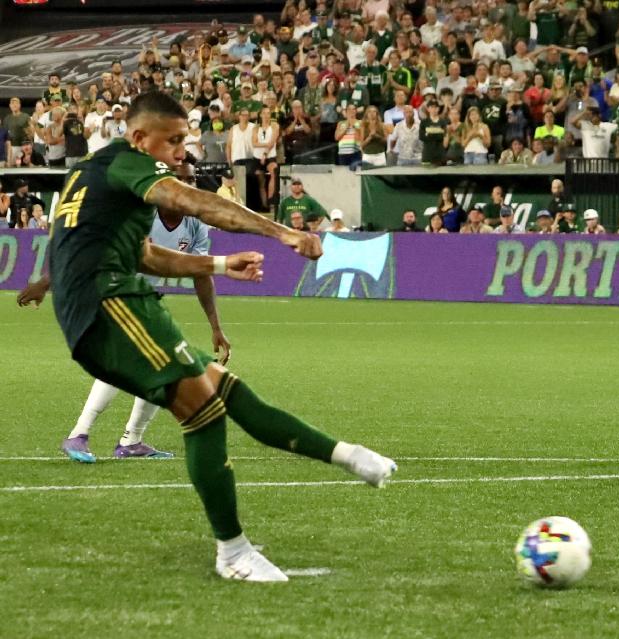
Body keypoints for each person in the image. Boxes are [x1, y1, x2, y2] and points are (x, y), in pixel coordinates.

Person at [25, 91, 395, 581]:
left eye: (186, 139)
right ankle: (233, 552)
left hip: (118, 297)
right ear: (139, 138)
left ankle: (350, 457)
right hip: (106, 305)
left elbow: (146, 256)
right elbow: (189, 201)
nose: (182, 150)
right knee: (203, 410)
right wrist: (281, 232)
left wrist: (220, 264)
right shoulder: (132, 165)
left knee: (226, 389)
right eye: (172, 140)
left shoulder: (101, 171)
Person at [21, 162, 225, 461]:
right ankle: (80, 434)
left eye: (191, 180)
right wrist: (46, 282)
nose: (187, 185)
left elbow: (201, 274)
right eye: (180, 179)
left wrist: (216, 326)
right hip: (111, 290)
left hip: (144, 299)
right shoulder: (140, 212)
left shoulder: (195, 225)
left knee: (166, 367)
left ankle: (129, 441)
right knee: (125, 363)